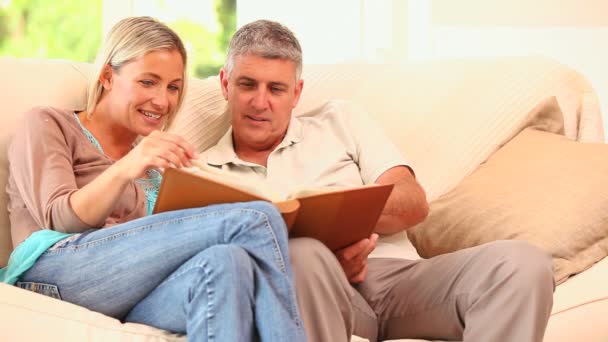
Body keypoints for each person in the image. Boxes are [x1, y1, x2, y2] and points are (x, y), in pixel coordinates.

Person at [201, 19, 555, 342]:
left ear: (296, 93)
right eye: (248, 85)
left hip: (398, 280)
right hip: (310, 287)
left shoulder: (340, 121)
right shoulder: (204, 171)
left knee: (521, 263)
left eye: (276, 89)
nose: (260, 102)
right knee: (304, 256)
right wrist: (322, 256)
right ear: (225, 83)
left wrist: (341, 218)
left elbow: (412, 203)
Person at [0, 16, 306, 342]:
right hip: (52, 271)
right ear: (106, 76)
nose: (163, 101)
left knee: (225, 263)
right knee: (258, 218)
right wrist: (131, 163)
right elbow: (59, 218)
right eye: (148, 82)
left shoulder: (154, 167)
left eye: (173, 87)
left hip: (128, 289)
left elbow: (155, 250)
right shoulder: (50, 125)